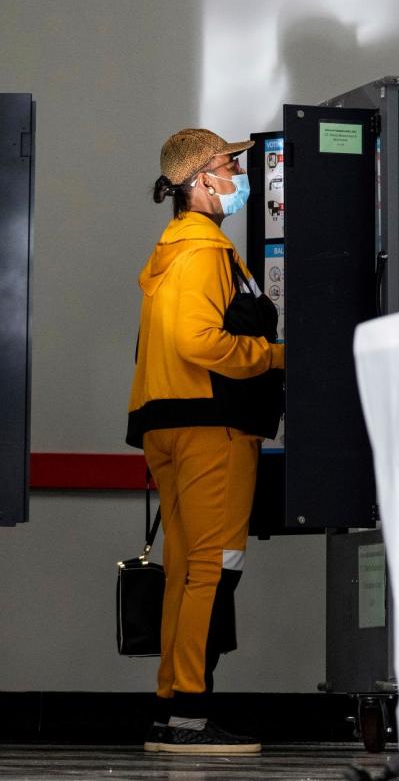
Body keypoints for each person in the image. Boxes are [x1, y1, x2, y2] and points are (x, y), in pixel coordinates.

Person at [126, 128, 285, 755]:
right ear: (199, 182)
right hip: (209, 425)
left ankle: (171, 709)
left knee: (187, 574)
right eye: (229, 165)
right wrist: (272, 357)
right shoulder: (204, 253)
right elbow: (200, 343)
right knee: (214, 570)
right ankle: (192, 715)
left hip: (166, 422)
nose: (238, 176)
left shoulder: (170, 256)